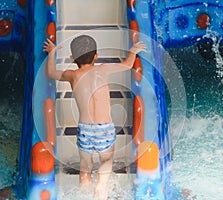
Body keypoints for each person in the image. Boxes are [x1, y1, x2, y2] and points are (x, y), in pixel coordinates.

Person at [43, 35, 146, 199]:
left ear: (72, 58)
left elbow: (50, 73)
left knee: (85, 167)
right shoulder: (103, 69)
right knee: (106, 161)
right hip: (104, 128)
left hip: (84, 129)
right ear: (96, 56)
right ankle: (101, 188)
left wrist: (51, 53)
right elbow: (127, 65)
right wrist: (133, 51)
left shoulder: (72, 75)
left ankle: (84, 192)